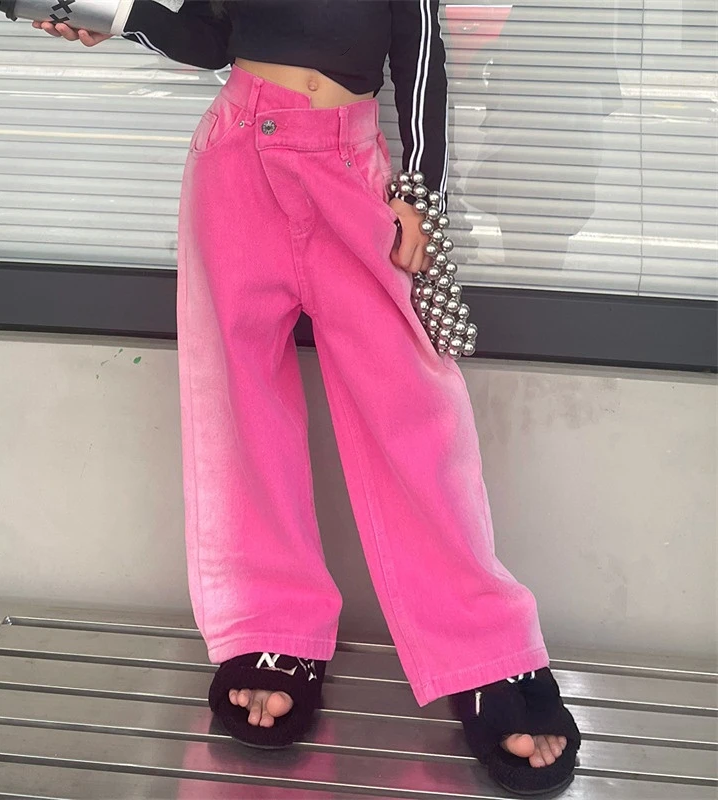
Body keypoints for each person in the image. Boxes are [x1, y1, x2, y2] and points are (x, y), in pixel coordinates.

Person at [35, 1, 580, 794]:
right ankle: (271, 630)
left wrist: (419, 189)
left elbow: (419, 55)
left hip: (351, 167)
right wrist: (121, 17)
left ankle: (486, 651)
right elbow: (213, 37)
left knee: (415, 412)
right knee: (238, 408)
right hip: (236, 157)